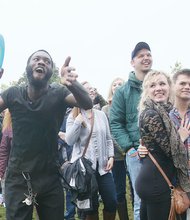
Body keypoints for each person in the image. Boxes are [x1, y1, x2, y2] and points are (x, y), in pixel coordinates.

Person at [0, 50, 92, 220]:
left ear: (51, 71)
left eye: (47, 61)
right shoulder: (13, 93)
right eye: (36, 59)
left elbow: (86, 103)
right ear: (28, 67)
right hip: (18, 177)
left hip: (49, 176)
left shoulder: (58, 93)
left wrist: (72, 83)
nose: (41, 62)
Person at [135, 70, 190, 220]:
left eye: (162, 83)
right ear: (146, 91)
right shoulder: (151, 114)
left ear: (169, 87)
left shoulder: (166, 112)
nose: (158, 88)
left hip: (158, 180)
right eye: (152, 85)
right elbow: (170, 151)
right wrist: (181, 137)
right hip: (156, 183)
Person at [110, 42, 153, 220]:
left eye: (148, 54)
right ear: (132, 62)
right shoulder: (122, 92)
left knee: (165, 196)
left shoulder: (159, 85)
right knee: (140, 199)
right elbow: (116, 123)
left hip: (160, 151)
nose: (146, 58)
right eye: (140, 55)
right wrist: (129, 148)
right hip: (136, 153)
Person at [65, 81, 117, 220]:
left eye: (93, 89)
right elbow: (69, 141)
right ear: (80, 94)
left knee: (112, 201)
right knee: (90, 207)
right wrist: (77, 122)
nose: (92, 92)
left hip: (104, 168)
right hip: (84, 171)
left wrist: (111, 156)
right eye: (88, 90)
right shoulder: (73, 115)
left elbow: (108, 138)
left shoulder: (100, 115)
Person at [102, 77, 130, 220]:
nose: (118, 86)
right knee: (119, 191)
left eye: (121, 84)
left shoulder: (129, 104)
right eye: (115, 84)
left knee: (135, 188)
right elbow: (110, 134)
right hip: (118, 156)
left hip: (133, 154)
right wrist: (124, 149)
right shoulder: (105, 109)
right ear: (111, 88)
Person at [169, 69, 190, 219]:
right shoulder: (165, 116)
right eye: (182, 83)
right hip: (176, 178)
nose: (187, 87)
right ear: (173, 86)